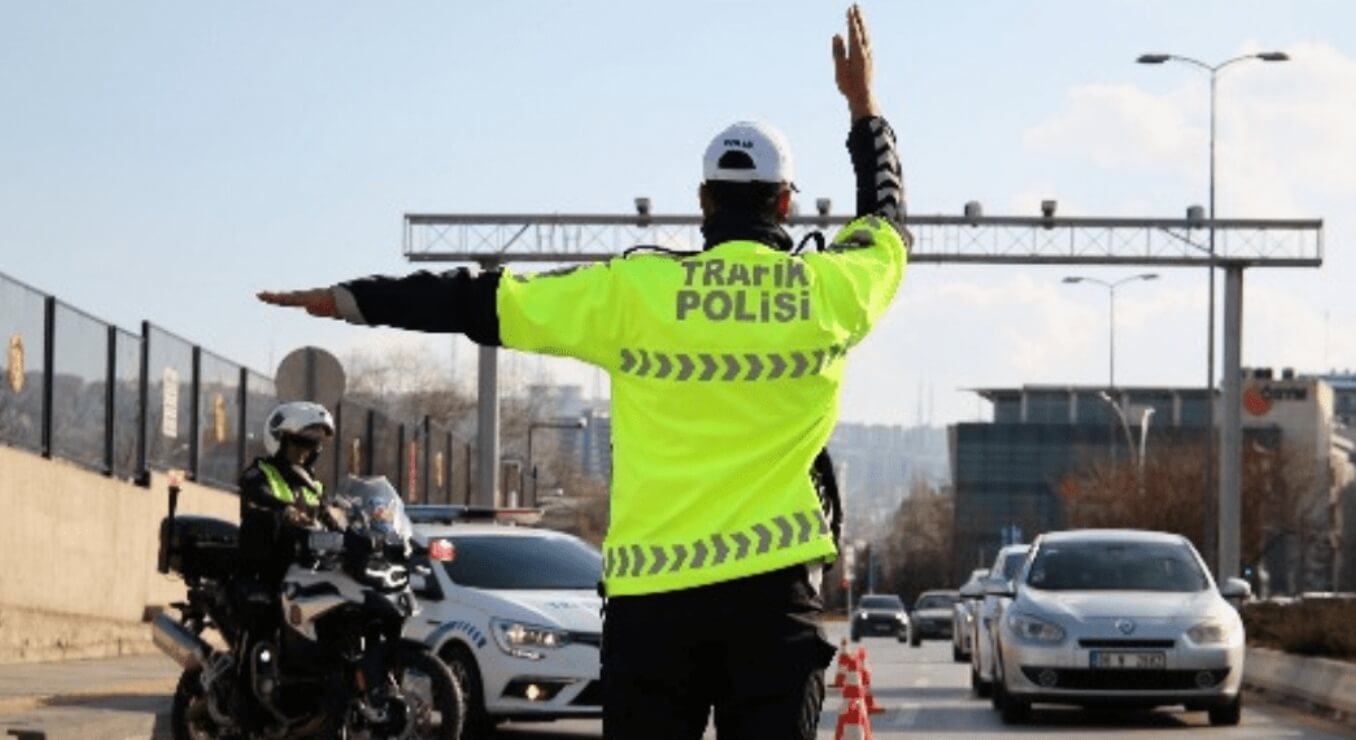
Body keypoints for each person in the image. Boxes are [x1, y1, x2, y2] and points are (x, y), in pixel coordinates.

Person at [258, 6, 904, 737]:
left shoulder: (634, 293)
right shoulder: (827, 292)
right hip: (771, 602)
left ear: (702, 202)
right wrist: (863, 106)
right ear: (785, 202)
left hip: (653, 608)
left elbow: (480, 300)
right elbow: (886, 222)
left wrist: (352, 299)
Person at [236, 401, 337, 647]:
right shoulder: (260, 473)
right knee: (261, 618)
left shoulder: (314, 486)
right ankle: (250, 664)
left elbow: (331, 520)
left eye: (312, 444)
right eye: (299, 442)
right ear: (279, 440)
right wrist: (285, 509)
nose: (305, 451)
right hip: (266, 569)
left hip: (307, 570)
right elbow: (256, 492)